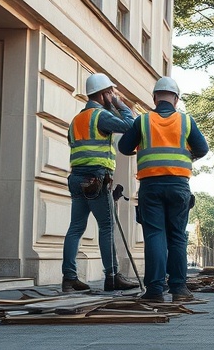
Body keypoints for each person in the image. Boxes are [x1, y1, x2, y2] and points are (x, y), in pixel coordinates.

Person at [118, 76, 209, 302]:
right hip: (178, 186)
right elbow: (202, 148)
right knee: (177, 236)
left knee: (154, 235)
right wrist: (187, 156)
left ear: (155, 98)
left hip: (151, 186)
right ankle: (178, 290)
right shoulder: (186, 122)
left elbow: (124, 147)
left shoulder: (143, 121)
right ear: (176, 99)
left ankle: (155, 291)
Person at [62, 73, 140, 293]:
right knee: (106, 227)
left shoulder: (76, 120)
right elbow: (130, 124)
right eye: (110, 92)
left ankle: (69, 278)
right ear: (104, 93)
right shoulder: (100, 116)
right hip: (96, 178)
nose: (112, 96)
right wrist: (119, 103)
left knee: (75, 228)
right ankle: (112, 276)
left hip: (76, 178)